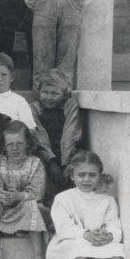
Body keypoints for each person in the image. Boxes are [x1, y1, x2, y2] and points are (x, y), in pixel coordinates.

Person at [0, 120, 48, 259]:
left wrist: (19, 196)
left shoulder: (35, 163)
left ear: (28, 143)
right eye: (10, 144)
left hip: (25, 206)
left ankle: (38, 254)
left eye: (19, 143)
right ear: (4, 146)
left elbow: (38, 192)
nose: (15, 148)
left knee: (33, 206)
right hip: (5, 207)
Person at [29, 68, 82, 204]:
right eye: (45, 92)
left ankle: (73, 204)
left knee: (77, 167)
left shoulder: (70, 106)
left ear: (63, 94)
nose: (49, 97)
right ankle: (51, 204)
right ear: (39, 92)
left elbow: (70, 134)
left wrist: (65, 163)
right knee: (39, 167)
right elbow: (38, 135)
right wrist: (51, 161)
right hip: (44, 152)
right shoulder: (34, 108)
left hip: (68, 151)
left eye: (55, 93)